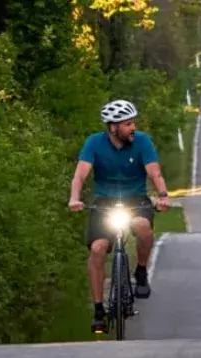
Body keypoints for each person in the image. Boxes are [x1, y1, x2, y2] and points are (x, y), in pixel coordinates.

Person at [68, 99, 171, 334]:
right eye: (127, 124)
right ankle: (98, 310)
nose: (133, 128)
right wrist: (74, 198)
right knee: (97, 249)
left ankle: (141, 271)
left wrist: (163, 195)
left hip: (136, 199)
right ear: (113, 127)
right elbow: (80, 175)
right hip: (104, 202)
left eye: (133, 123)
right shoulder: (94, 142)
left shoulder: (142, 141)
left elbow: (154, 172)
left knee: (142, 226)